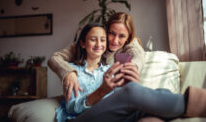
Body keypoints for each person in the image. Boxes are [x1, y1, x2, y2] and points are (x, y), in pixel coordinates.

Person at [55, 23, 206, 122]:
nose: (99, 44)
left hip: (115, 118)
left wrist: (134, 82)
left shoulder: (110, 69)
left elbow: (125, 100)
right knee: (132, 92)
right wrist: (101, 91)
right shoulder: (72, 72)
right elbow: (71, 109)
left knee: (150, 116)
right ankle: (199, 102)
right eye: (93, 39)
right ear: (82, 43)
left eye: (102, 40)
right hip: (81, 119)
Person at [48, 12, 145, 102]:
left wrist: (131, 69)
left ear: (128, 37)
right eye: (111, 33)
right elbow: (55, 58)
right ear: (106, 30)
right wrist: (69, 72)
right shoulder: (89, 44)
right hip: (85, 96)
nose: (115, 41)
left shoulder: (131, 43)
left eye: (122, 36)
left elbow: (139, 56)